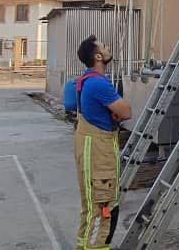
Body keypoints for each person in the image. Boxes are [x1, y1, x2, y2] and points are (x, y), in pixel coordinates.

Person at [63, 35, 132, 250]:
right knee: (104, 206)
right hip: (98, 151)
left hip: (90, 145)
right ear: (98, 56)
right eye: (104, 46)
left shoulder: (84, 81)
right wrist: (117, 110)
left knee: (92, 205)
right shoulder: (98, 84)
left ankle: (85, 246)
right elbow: (126, 111)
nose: (108, 47)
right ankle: (97, 247)